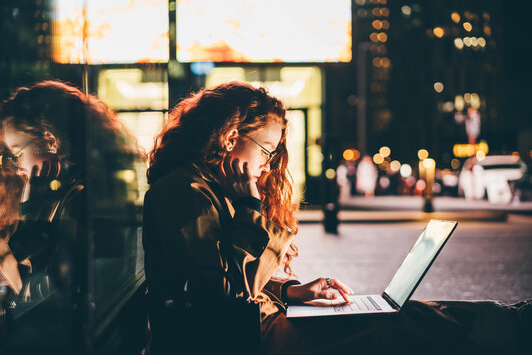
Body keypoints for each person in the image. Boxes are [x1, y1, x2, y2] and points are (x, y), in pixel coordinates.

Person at [144, 81, 531, 354]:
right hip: (247, 341)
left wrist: (290, 291)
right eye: (268, 149)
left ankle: (510, 319)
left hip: (253, 331)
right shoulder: (186, 193)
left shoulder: (206, 188)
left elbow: (231, 281)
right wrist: (250, 210)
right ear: (230, 135)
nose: (267, 164)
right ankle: (514, 326)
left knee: (403, 314)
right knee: (396, 326)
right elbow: (224, 297)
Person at [0, 80, 141, 348]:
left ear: (51, 142)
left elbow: (44, 286)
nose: (13, 166)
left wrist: (30, 208)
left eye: (16, 153)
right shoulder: (81, 190)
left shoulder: (79, 198)